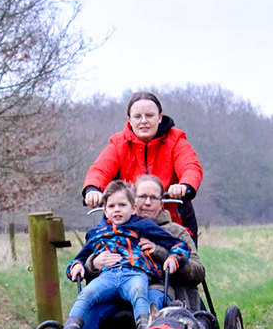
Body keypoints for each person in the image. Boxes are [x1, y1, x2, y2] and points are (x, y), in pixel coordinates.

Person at [53, 181, 186, 329]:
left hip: (136, 276)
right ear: (105, 211)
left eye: (122, 205)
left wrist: (173, 258)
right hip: (108, 278)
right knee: (86, 296)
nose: (117, 210)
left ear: (133, 208)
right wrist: (79, 266)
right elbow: (78, 260)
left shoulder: (143, 227)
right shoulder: (97, 233)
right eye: (111, 206)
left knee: (141, 291)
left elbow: (180, 246)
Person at [82, 91, 205, 240]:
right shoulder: (118, 144)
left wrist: (184, 186)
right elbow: (100, 170)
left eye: (149, 116)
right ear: (129, 120)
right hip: (128, 224)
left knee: (187, 261)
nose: (144, 121)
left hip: (174, 221)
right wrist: (92, 189)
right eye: (138, 116)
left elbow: (191, 167)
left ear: (160, 117)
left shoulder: (176, 141)